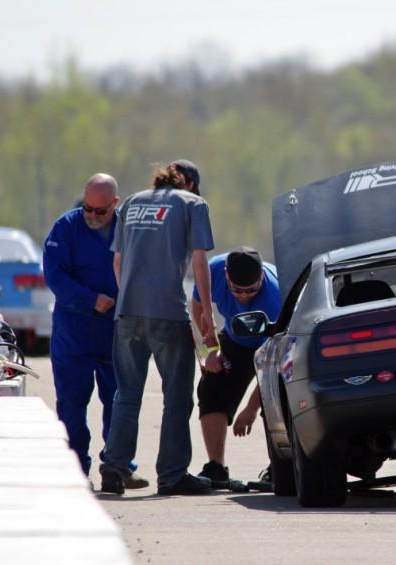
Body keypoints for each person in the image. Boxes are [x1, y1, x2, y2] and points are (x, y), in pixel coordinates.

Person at [99, 159, 218, 496]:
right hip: (167, 311)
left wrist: (126, 300)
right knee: (177, 396)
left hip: (127, 313)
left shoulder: (133, 203)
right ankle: (172, 474)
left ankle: (114, 468)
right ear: (191, 184)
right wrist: (207, 310)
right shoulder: (193, 204)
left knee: (126, 394)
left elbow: (118, 261)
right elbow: (198, 260)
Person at [43, 173, 147, 489]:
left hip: (115, 332)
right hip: (74, 331)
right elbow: (55, 277)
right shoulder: (66, 228)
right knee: (72, 404)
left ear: (115, 204)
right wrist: (90, 300)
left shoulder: (127, 229)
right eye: (88, 207)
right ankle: (76, 469)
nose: (92, 216)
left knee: (119, 401)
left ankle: (117, 466)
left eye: (100, 211)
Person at [192, 246, 280, 482]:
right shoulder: (212, 272)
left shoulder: (275, 295)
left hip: (270, 345)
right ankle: (216, 467)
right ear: (226, 276)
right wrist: (211, 350)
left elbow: (274, 363)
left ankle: (280, 467)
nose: (243, 296)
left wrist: (251, 409)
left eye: (251, 290)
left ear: (261, 276)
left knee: (278, 399)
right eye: (236, 290)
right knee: (211, 386)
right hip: (235, 338)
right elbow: (198, 306)